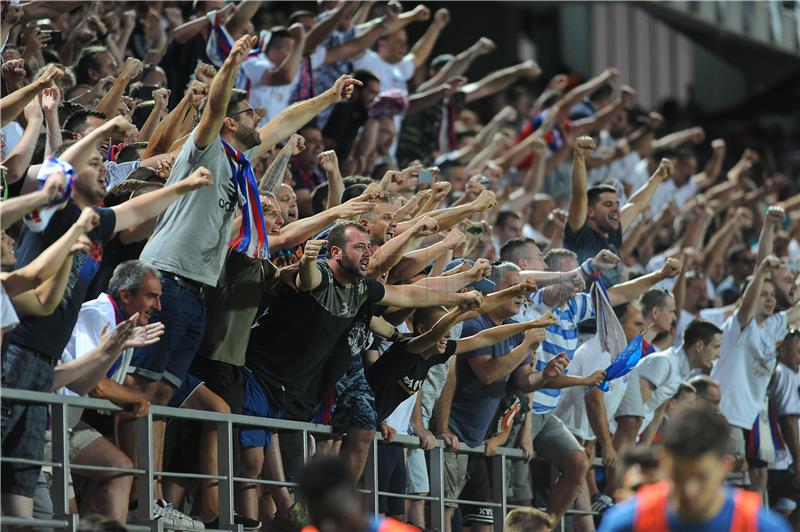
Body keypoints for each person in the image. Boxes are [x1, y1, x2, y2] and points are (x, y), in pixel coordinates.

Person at [599, 407, 791, 531]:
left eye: (701, 477)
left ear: (725, 467)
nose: (689, 490)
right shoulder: (625, 524)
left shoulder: (760, 527)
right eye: (679, 475)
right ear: (663, 462)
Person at [613, 319, 723, 452]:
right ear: (699, 346)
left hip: (626, 437)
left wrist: (644, 448)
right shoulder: (665, 362)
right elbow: (633, 409)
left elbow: (658, 411)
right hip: (614, 435)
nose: (718, 354)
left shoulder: (679, 369)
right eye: (716, 347)